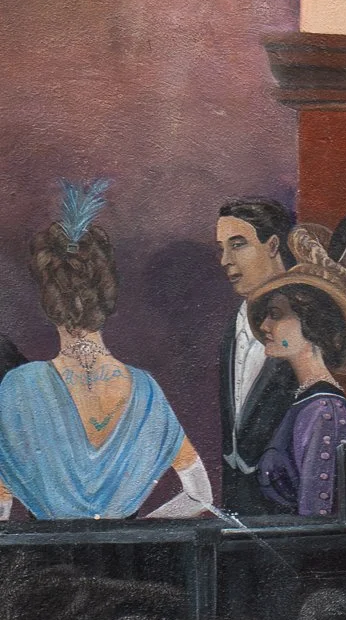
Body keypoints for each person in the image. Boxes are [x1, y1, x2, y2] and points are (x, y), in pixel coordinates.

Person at [0, 184, 212, 522]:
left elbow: (1, 510)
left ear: (48, 301)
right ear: (107, 297)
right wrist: (138, 530)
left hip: (47, 567)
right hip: (126, 566)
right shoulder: (145, 390)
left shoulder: (18, 387)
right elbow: (200, 496)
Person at [245, 238, 346, 518]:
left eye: (276, 315)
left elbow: (318, 517)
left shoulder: (324, 409)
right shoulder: (307, 402)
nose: (264, 326)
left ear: (312, 323)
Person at [216, 198, 298, 517]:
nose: (225, 260)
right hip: (238, 510)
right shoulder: (231, 330)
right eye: (221, 248)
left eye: (237, 245)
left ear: (273, 245)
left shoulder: (302, 326)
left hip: (287, 515)